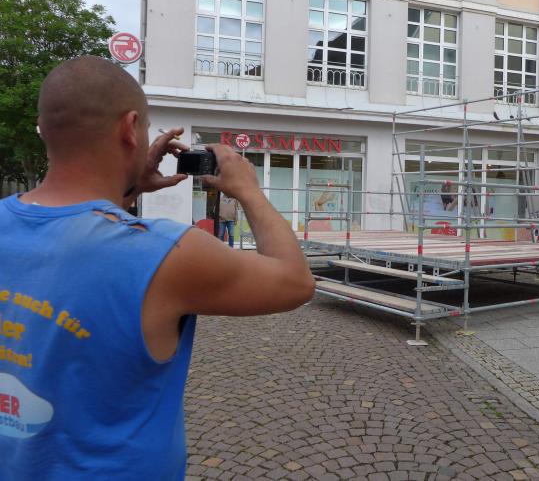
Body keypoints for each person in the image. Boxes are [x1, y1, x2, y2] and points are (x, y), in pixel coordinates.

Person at [0, 56, 315, 480]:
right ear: (130, 128)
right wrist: (248, 191)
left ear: (44, 127)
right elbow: (295, 281)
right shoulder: (164, 251)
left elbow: (71, 232)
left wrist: (124, 189)